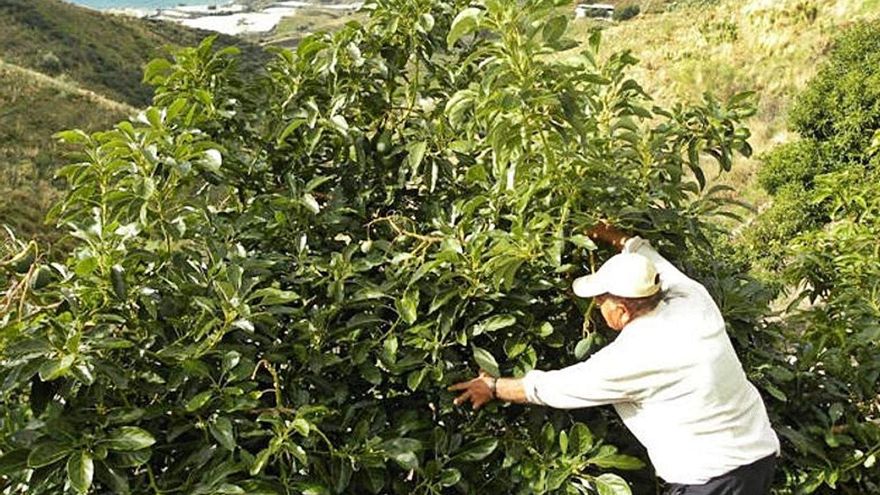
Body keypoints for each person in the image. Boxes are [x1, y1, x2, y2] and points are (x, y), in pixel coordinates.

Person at [449, 223, 780, 495]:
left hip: (713, 480)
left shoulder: (635, 355)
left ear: (621, 311)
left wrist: (491, 386)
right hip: (758, 456)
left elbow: (554, 388)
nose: (596, 305)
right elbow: (652, 259)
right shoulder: (691, 299)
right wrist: (612, 235)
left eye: (601, 299)